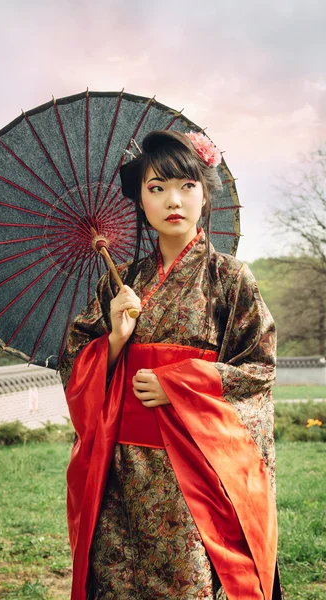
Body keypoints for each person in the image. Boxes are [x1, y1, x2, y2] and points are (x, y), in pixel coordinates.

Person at [58, 130, 283, 600]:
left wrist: (178, 385)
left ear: (205, 193)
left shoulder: (230, 278)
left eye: (186, 186)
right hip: (122, 468)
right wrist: (116, 341)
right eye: (156, 188)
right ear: (140, 199)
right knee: (116, 578)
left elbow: (258, 370)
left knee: (189, 580)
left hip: (193, 468)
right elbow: (76, 365)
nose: (172, 200)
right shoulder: (120, 286)